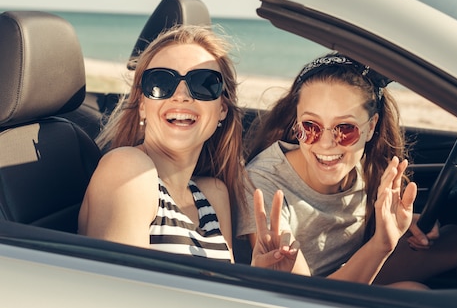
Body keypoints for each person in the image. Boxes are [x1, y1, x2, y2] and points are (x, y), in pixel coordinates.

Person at [237, 52, 457, 287]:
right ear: (296, 122)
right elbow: (303, 297)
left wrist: (401, 224)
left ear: (371, 127)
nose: (326, 143)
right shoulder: (263, 183)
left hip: (351, 270)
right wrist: (382, 244)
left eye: (345, 128)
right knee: (414, 292)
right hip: (309, 295)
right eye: (311, 126)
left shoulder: (369, 166)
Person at [78, 24, 298, 268]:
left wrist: (258, 279)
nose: (181, 95)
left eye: (204, 83)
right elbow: (119, 295)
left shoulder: (214, 195)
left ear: (222, 109)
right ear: (142, 105)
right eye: (160, 82)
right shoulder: (127, 170)